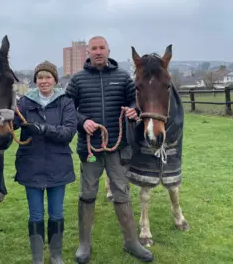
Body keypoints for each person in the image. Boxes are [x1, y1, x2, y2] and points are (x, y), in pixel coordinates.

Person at [65, 36, 154, 263]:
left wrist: (134, 111)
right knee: (87, 194)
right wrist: (82, 120)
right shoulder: (77, 80)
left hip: (117, 147)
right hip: (90, 148)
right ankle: (84, 244)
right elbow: (67, 109)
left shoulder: (123, 77)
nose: (98, 52)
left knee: (122, 193)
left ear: (108, 50)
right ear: (88, 51)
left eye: (101, 48)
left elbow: (134, 102)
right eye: (93, 48)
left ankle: (131, 241)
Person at [13, 60, 77, 264]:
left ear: (55, 80)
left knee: (56, 213)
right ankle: (38, 258)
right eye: (40, 77)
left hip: (58, 166)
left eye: (47, 77)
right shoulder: (24, 102)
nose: (44, 81)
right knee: (36, 215)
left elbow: (68, 132)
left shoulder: (65, 101)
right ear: (35, 80)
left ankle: (56, 255)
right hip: (31, 166)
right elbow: (11, 125)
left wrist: (42, 129)